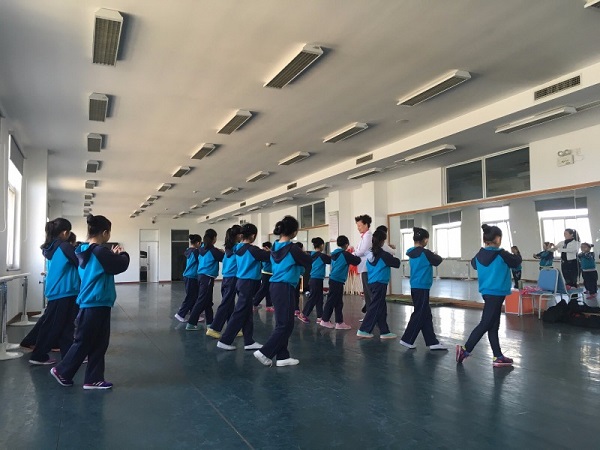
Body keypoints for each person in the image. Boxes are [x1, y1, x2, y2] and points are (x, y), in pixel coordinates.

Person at [51, 214, 130, 389]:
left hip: (96, 302)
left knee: (99, 343)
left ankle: (93, 379)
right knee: (84, 341)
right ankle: (62, 371)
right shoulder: (99, 251)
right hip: (95, 303)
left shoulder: (83, 250)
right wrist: (123, 254)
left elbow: (104, 266)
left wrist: (112, 255)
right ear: (105, 233)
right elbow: (120, 265)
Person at [456, 224, 522, 368]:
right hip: (497, 294)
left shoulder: (479, 255)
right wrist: (516, 253)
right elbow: (517, 262)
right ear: (497, 238)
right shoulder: (502, 254)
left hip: (487, 292)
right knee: (486, 323)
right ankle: (465, 350)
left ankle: (498, 356)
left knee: (493, 325)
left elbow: (474, 264)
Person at [254, 216, 312, 367]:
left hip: (275, 286)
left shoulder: (275, 246)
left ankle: (282, 357)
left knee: (282, 322)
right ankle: (265, 352)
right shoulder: (293, 249)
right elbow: (308, 261)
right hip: (285, 286)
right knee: (286, 324)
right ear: (294, 232)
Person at [28, 218, 80, 365]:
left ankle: (69, 355)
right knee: (52, 326)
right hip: (63, 291)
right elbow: (80, 262)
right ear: (65, 232)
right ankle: (38, 355)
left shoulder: (51, 247)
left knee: (66, 326)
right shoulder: (64, 247)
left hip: (64, 291)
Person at [218, 223, 270, 351]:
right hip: (248, 283)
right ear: (253, 236)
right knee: (240, 312)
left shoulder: (238, 248)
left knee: (247, 313)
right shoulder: (252, 250)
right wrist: (269, 252)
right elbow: (269, 257)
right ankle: (225, 340)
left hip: (241, 281)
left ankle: (249, 341)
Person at [399, 227, 447, 351]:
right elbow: (438, 260)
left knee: (426, 314)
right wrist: (433, 254)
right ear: (425, 240)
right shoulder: (425, 253)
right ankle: (407, 339)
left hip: (415, 285)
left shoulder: (411, 252)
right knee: (420, 313)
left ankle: (432, 341)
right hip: (423, 287)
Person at [356, 229, 400, 340]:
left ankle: (384, 331)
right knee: (375, 307)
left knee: (381, 307)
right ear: (383, 241)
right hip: (380, 283)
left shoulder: (370, 253)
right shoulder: (383, 255)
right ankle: (364, 330)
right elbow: (397, 263)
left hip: (372, 282)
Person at [207, 226, 242, 338]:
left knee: (230, 304)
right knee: (226, 304)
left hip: (226, 278)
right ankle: (214, 328)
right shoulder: (237, 247)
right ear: (238, 235)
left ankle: (233, 328)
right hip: (232, 278)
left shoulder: (228, 248)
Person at [320, 235, 361, 330]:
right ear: (346, 244)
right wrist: (356, 252)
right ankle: (325, 320)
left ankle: (339, 322)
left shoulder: (334, 253)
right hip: (337, 280)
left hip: (334, 279)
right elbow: (357, 261)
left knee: (338, 302)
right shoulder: (345, 254)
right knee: (331, 300)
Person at [187, 229, 224, 330]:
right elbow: (224, 257)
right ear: (214, 238)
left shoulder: (201, 249)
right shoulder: (213, 251)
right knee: (202, 300)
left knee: (208, 301)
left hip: (201, 276)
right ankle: (191, 323)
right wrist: (222, 252)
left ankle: (210, 323)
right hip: (207, 277)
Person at [298, 237, 331, 324]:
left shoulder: (311, 255)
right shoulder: (322, 256)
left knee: (319, 298)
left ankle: (320, 317)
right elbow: (331, 260)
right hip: (316, 279)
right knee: (313, 297)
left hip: (314, 278)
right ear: (322, 245)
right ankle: (304, 314)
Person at [174, 234, 202, 322]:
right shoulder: (196, 252)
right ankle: (180, 314)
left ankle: (194, 315)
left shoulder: (188, 250)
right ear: (198, 243)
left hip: (189, 276)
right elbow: (202, 258)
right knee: (191, 297)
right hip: (191, 276)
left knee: (194, 296)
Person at [353, 215, 373, 316]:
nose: (358, 228)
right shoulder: (364, 236)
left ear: (366, 225)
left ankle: (372, 315)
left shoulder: (368, 236)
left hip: (366, 267)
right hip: (363, 267)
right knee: (366, 292)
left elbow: (362, 251)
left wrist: (352, 254)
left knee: (369, 292)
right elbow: (359, 250)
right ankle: (369, 315)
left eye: (360, 226)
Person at [252, 242, 274, 312]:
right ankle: (254, 303)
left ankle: (269, 305)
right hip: (266, 273)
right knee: (263, 289)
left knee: (268, 290)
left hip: (270, 273)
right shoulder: (266, 254)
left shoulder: (269, 253)